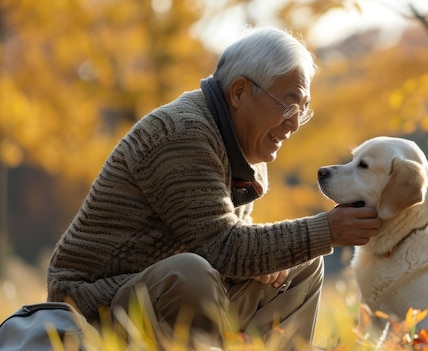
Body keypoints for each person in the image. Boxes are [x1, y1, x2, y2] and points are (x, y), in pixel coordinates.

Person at [47, 26, 380, 348]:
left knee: (301, 264)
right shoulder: (182, 134)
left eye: (302, 112)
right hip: (90, 307)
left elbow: (232, 245)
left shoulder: (245, 148)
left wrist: (273, 260)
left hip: (167, 297)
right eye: (289, 106)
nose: (294, 124)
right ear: (239, 92)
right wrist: (327, 230)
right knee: (189, 272)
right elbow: (222, 248)